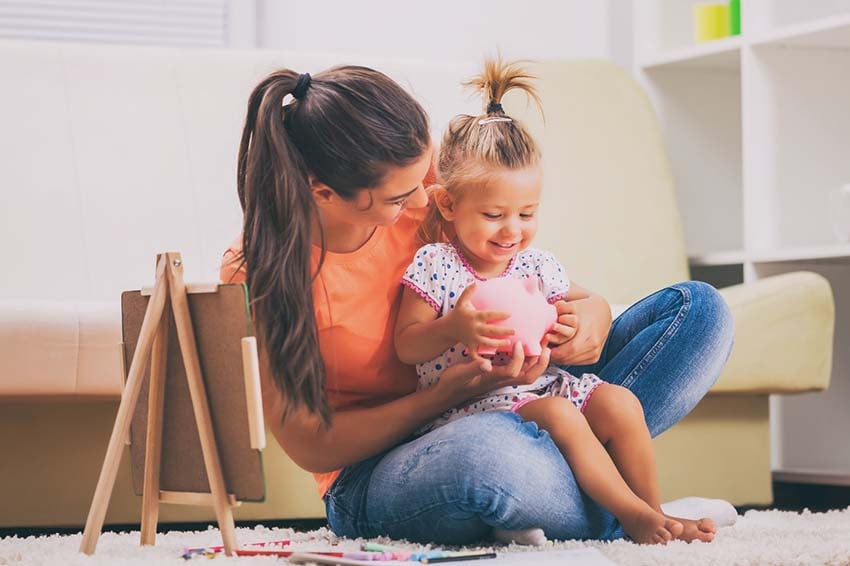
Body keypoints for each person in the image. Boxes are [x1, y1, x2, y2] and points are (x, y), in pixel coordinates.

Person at [220, 62, 735, 545]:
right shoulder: (261, 271)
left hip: (524, 394)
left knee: (699, 312)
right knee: (488, 457)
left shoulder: (416, 183)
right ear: (323, 191)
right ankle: (628, 507)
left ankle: (601, 502)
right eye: (400, 199)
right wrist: (442, 396)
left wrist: (591, 316)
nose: (424, 204)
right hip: (390, 463)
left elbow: (530, 280)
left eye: (426, 179)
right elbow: (312, 444)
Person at [394, 59, 716, 545]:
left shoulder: (537, 265)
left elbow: (572, 310)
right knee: (563, 415)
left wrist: (568, 328)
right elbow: (406, 345)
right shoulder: (435, 265)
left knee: (620, 402)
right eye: (494, 214)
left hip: (542, 387)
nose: (512, 230)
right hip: (474, 411)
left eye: (527, 213)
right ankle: (629, 514)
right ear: (448, 205)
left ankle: (653, 511)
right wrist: (453, 329)